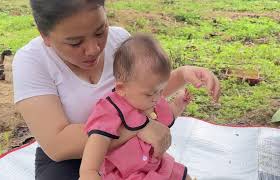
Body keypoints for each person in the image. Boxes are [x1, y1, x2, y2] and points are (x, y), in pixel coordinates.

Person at [12, 0, 220, 179]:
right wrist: (138, 126)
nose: (93, 49)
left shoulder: (120, 41)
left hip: (129, 154)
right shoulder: (32, 62)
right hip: (71, 161)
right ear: (45, 36)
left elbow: (142, 93)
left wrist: (183, 75)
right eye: (75, 43)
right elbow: (59, 144)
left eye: (100, 31)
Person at [80, 34, 192, 180]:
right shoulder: (110, 109)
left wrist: (179, 103)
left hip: (157, 165)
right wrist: (89, 173)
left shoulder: (152, 99)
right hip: (125, 173)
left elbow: (166, 117)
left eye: (161, 90)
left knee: (184, 176)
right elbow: (96, 143)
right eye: (150, 94)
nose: (157, 98)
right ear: (121, 88)